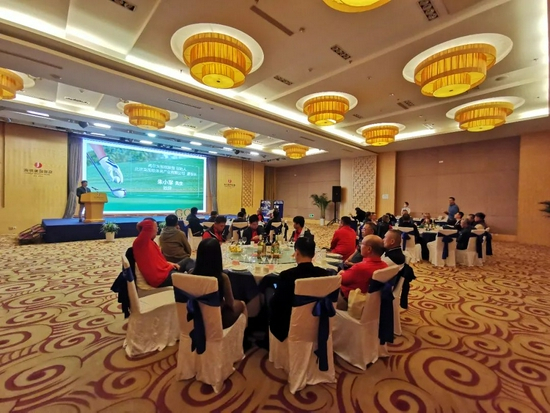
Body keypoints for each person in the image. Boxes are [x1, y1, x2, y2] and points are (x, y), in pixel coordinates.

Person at [269, 238, 329, 342]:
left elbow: (277, 304)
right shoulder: (324, 274)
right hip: (318, 323)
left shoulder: (287, 275)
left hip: (289, 326)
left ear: (296, 253)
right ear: (313, 254)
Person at [191, 238, 246, 328]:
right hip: (216, 318)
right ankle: (243, 335)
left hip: (195, 316)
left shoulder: (190, 274)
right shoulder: (222, 278)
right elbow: (230, 303)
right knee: (242, 304)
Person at [133, 218, 194, 288]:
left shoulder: (150, 242)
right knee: (189, 278)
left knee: (188, 260)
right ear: (149, 229)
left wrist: (169, 264)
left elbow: (157, 260)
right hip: (161, 279)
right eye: (156, 227)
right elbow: (147, 224)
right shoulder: (141, 242)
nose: (157, 230)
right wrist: (139, 224)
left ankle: (194, 275)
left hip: (165, 271)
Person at [337, 235, 388, 310]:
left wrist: (341, 273)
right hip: (372, 303)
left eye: (362, 244)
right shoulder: (385, 266)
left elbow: (340, 280)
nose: (360, 246)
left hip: (350, 302)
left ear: (369, 249)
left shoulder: (360, 268)